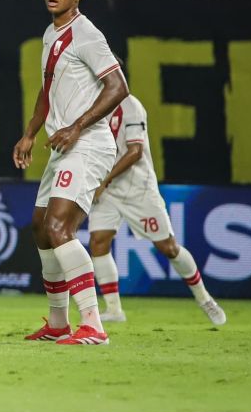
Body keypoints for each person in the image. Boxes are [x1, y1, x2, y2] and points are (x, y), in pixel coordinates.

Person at [13, 0, 129, 346]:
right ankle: (59, 323)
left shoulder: (87, 34)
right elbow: (47, 91)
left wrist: (77, 126)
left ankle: (93, 325)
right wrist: (29, 134)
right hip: (62, 147)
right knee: (41, 227)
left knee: (60, 227)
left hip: (89, 143)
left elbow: (118, 87)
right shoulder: (51, 33)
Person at [89, 93, 226, 326]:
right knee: (98, 241)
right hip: (109, 190)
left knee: (168, 247)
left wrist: (104, 180)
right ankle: (114, 310)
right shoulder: (92, 104)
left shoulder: (131, 106)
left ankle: (205, 299)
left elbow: (135, 152)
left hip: (138, 189)